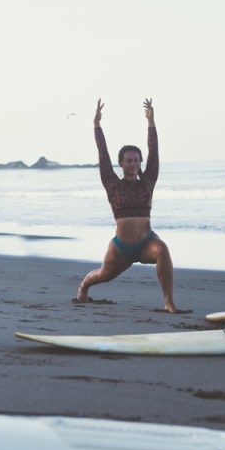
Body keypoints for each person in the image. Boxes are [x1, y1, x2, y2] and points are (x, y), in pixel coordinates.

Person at [76, 98, 183, 313]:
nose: (133, 164)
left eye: (136, 160)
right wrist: (97, 125)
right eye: (129, 160)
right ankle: (83, 287)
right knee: (102, 275)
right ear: (121, 164)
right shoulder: (113, 184)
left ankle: (169, 303)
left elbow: (154, 153)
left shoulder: (148, 182)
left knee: (162, 249)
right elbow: (103, 155)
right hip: (121, 248)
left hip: (146, 243)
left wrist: (151, 122)